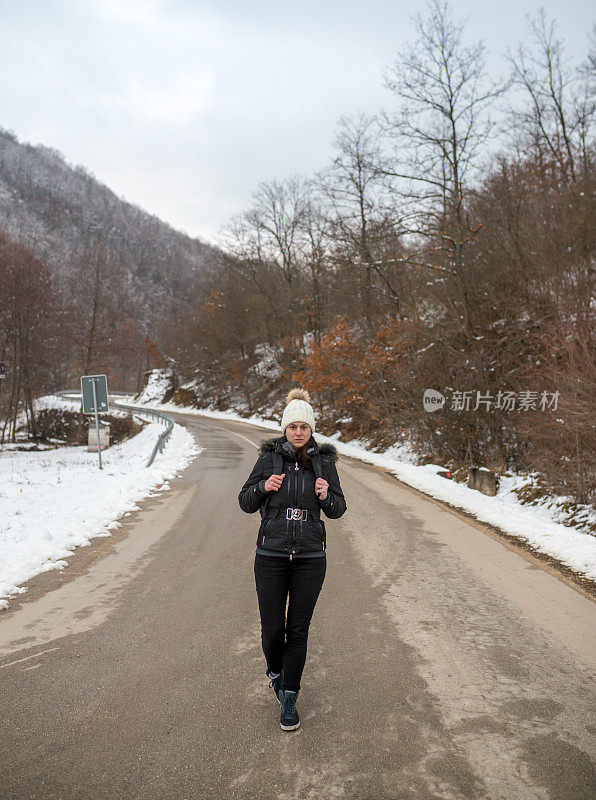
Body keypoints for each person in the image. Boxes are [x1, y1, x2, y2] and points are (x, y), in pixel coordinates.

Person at [238, 388, 347, 731]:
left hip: (310, 558)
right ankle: (276, 671)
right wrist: (263, 488)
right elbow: (245, 501)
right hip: (270, 556)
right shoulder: (269, 460)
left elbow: (338, 509)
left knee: (297, 630)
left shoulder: (324, 463)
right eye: (293, 426)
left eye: (305, 427)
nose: (299, 432)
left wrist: (326, 495)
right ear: (284, 429)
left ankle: (289, 697)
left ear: (312, 430)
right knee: (272, 629)